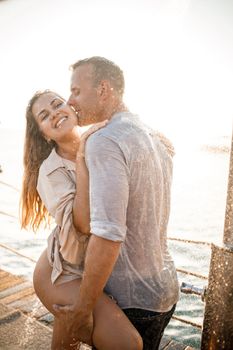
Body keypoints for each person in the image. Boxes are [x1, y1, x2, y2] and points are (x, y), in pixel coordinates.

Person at [54, 56, 180, 350]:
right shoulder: (153, 137)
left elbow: (109, 234)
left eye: (76, 91)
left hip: (131, 301)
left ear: (103, 89)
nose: (69, 101)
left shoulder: (104, 140)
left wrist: (83, 309)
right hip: (164, 293)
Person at [20, 90, 143, 350]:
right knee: (127, 344)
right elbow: (84, 224)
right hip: (64, 271)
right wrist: (82, 156)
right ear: (43, 133)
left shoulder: (102, 139)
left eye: (57, 104)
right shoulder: (50, 171)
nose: (54, 113)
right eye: (44, 115)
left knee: (66, 343)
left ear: (71, 107)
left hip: (96, 264)